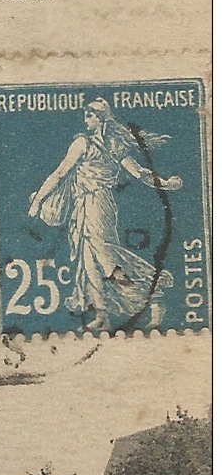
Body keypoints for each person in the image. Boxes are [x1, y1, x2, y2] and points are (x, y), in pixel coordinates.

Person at [28, 97, 181, 330]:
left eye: (89, 115)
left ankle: (149, 297)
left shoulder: (90, 144)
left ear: (100, 119)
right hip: (82, 206)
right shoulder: (89, 143)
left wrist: (165, 184)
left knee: (104, 257)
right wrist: (39, 199)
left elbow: (139, 173)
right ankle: (102, 315)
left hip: (98, 204)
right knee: (88, 261)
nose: (85, 120)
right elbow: (60, 174)